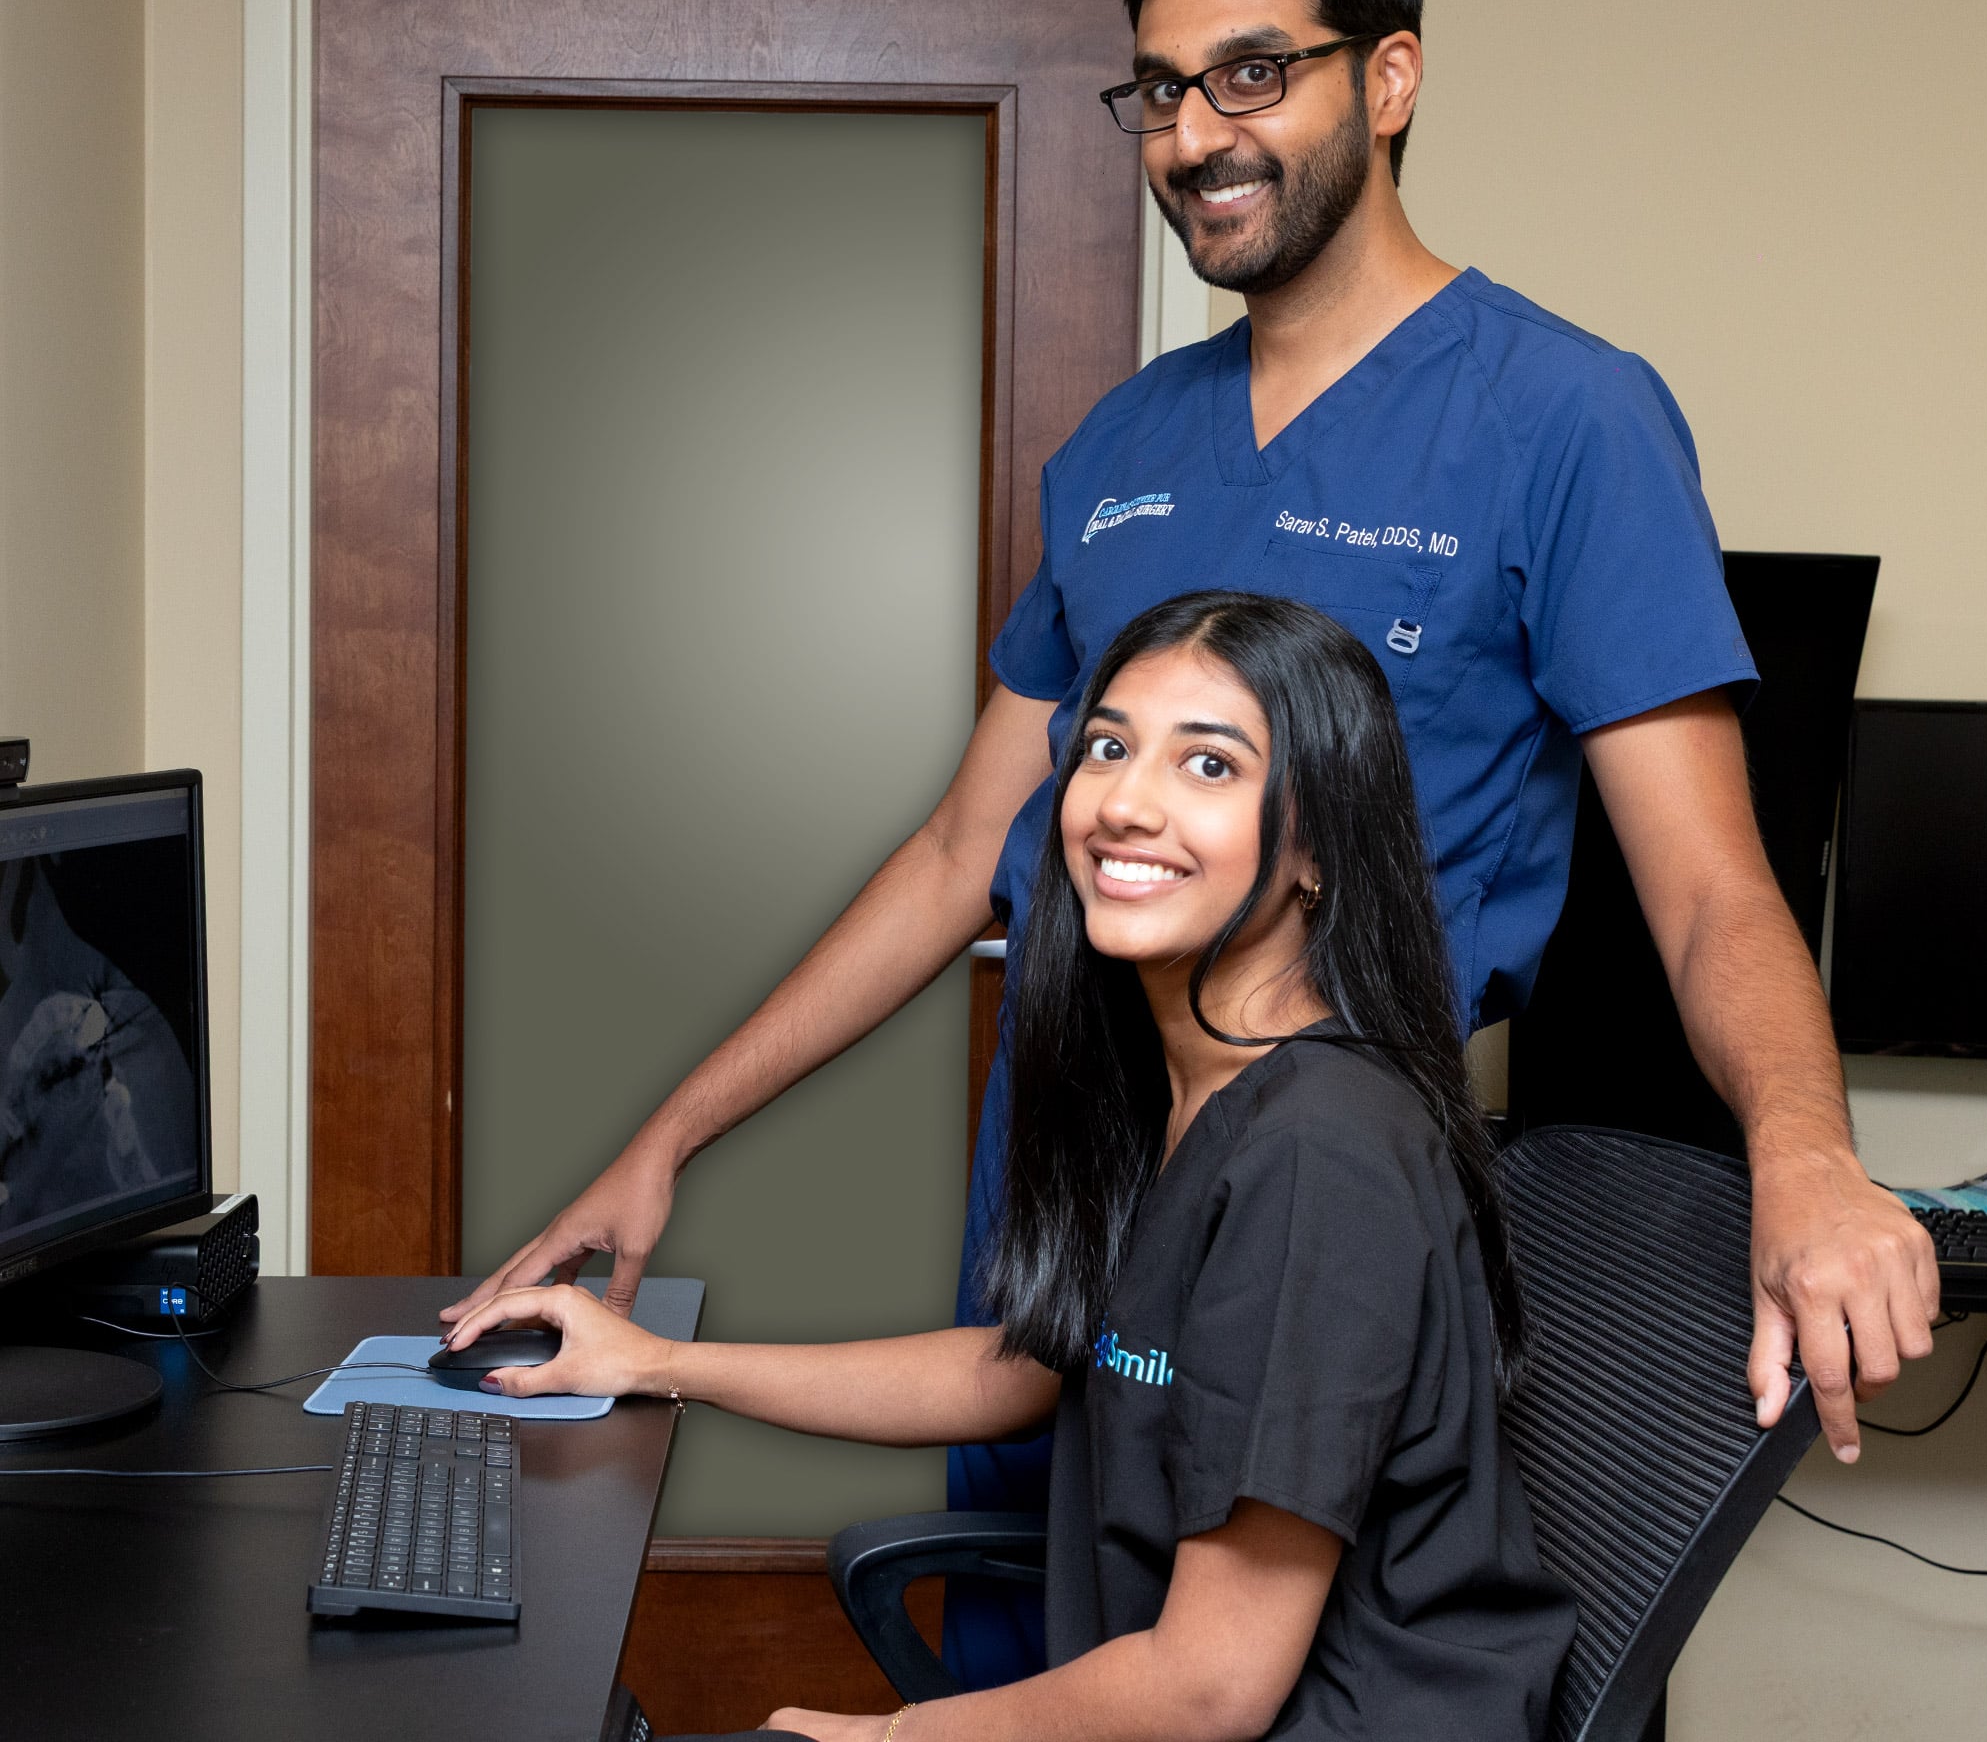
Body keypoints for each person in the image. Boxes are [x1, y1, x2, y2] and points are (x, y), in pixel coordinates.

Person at [446, 0, 1935, 1680]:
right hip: (1064, 1188)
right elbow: (954, 856)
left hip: (1307, 1215)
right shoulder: (1124, 447)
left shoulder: (1565, 418)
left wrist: (1807, 1157)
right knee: (1022, 1651)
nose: (1195, 134)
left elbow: (1711, 887)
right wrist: (662, 1143)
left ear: (1387, 80)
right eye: (1159, 88)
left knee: (1231, 1680)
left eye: (1255, 74)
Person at [446, 594, 1578, 1742]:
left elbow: (1209, 1686)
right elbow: (1020, 1373)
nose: (1126, 802)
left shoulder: (1318, 1153)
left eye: (1208, 764)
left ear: (1316, 852)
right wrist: (656, 1359)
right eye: (1107, 745)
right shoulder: (1178, 1088)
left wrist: (885, 1738)